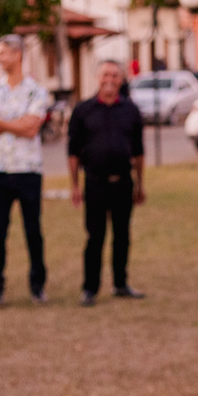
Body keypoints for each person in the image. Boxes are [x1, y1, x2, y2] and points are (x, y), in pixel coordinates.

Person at [0, 34, 51, 307]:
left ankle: (38, 285)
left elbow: (32, 128)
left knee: (33, 230)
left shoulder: (36, 91)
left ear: (17, 55)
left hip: (28, 170)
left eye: (2, 53)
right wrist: (12, 124)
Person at [67, 60, 147, 306]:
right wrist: (74, 186)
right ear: (97, 78)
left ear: (121, 79)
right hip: (95, 183)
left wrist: (140, 184)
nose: (110, 79)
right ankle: (90, 288)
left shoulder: (131, 111)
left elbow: (138, 151)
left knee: (122, 235)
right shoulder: (83, 110)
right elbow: (73, 152)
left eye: (115, 75)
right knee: (95, 236)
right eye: (105, 75)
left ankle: (120, 283)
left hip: (123, 182)